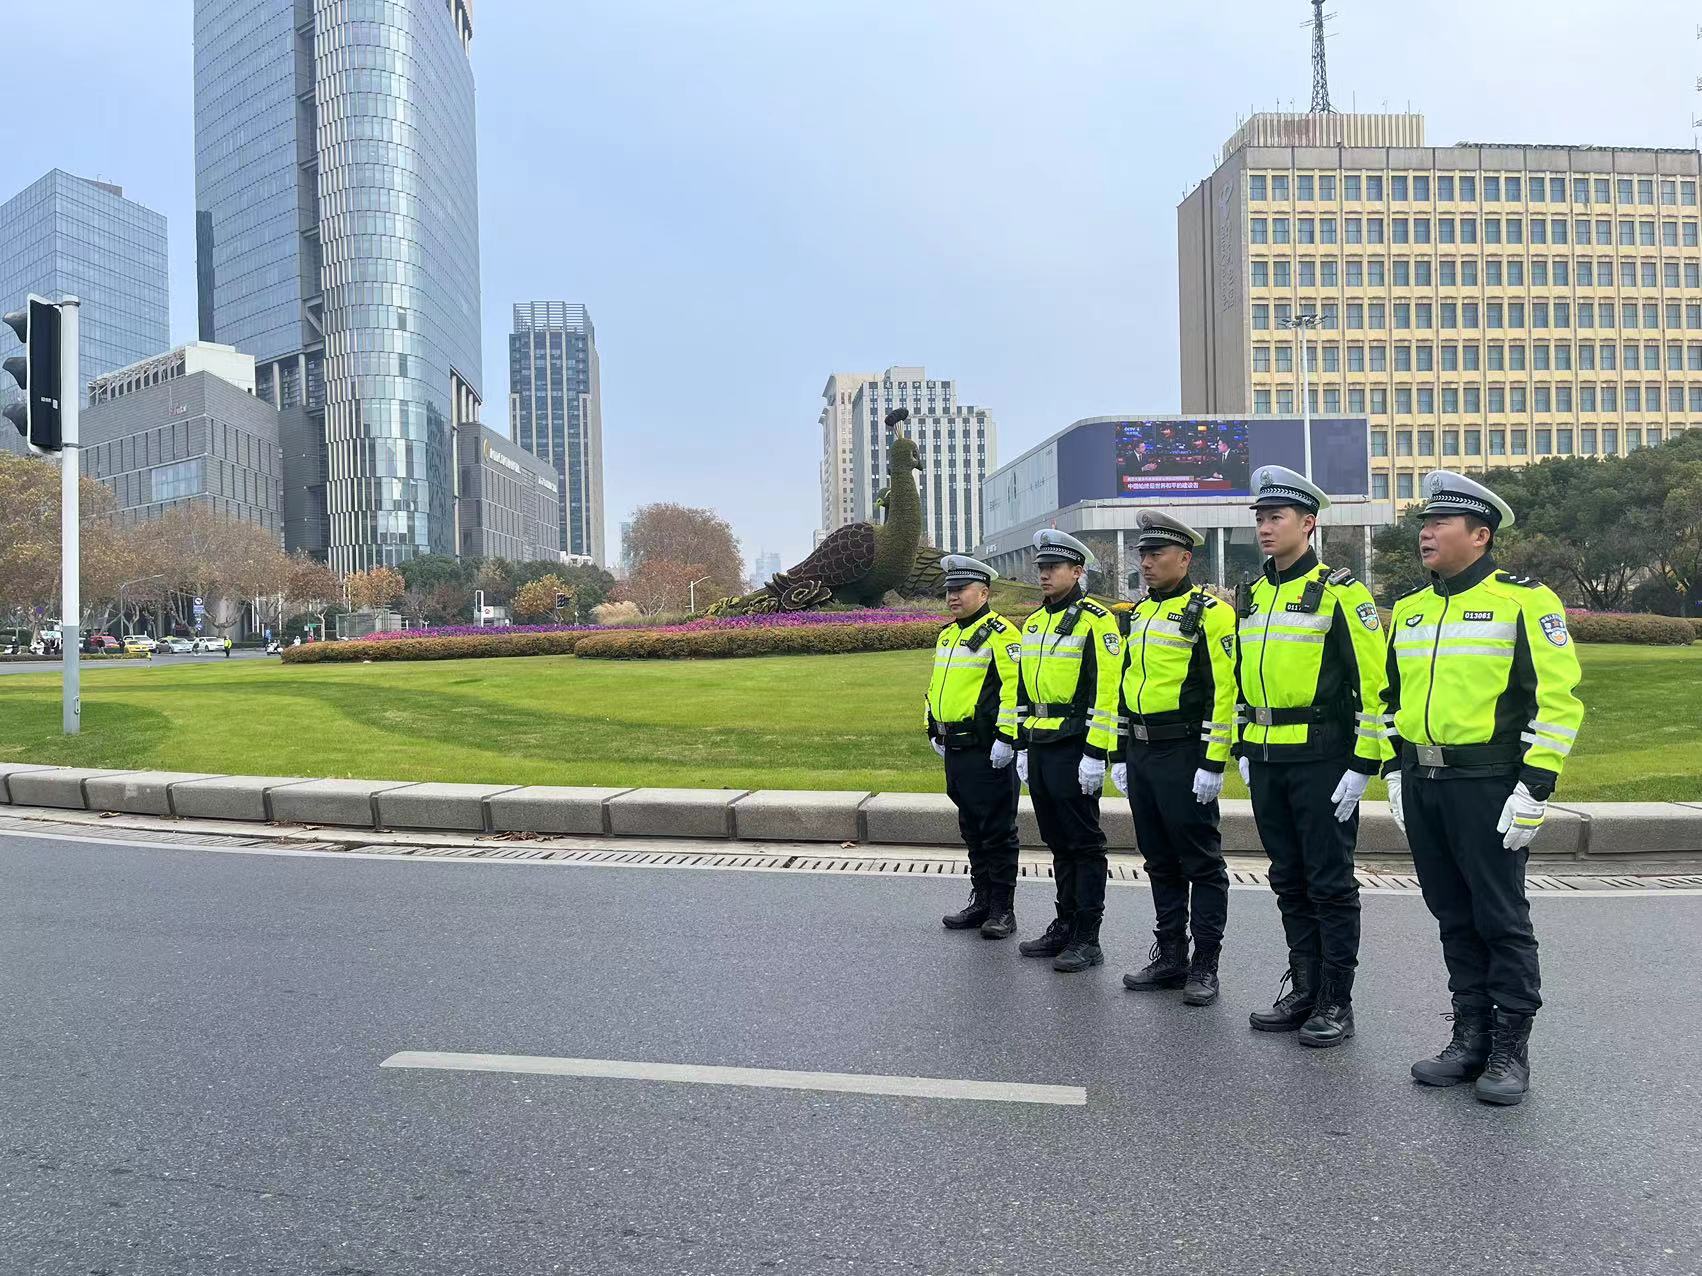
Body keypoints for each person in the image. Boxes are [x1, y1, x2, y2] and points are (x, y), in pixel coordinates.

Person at [1384, 471, 1584, 1106]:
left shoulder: (1525, 601)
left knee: (1500, 917)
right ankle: (1469, 1036)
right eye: (1424, 523)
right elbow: (1390, 698)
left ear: (1480, 535)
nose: (1426, 533)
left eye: (1440, 523)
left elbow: (1557, 702)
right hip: (1425, 782)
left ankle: (1509, 1049)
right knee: (1451, 913)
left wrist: (1536, 787)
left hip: (1489, 783)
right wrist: (1394, 770)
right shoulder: (1411, 609)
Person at [1235, 465, 1391, 1047]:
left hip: (1322, 759)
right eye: (1260, 517)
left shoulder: (1341, 593)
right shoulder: (1253, 593)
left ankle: (1335, 1000)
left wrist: (1364, 764)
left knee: (1329, 882)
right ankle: (1303, 987)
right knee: (1288, 878)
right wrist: (1242, 742)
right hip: (1266, 760)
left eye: (1276, 517)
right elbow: (1242, 676)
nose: (1265, 527)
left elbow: (1374, 684)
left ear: (1309, 524)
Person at [1112, 511, 1238, 1007]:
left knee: (1200, 862)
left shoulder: (1210, 613)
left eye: (1156, 553)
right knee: (1159, 860)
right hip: (1142, 751)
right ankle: (1170, 956)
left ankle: (1205, 963)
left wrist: (1213, 761)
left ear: (1184, 559)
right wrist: (1119, 750)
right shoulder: (1139, 612)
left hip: (1183, 751)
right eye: (1142, 553)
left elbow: (1222, 690)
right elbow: (1125, 685)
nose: (1145, 562)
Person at [1014, 529, 1124, 973]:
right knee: (1057, 840)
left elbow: (1106, 690)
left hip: (1074, 744)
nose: (1044, 574)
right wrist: (1021, 743)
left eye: (1053, 567)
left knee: (1083, 843)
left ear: (1077, 571)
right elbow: (1023, 689)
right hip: (1040, 742)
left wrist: (1097, 753)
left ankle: (1087, 936)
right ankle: (1064, 923)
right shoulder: (1034, 622)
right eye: (1041, 567)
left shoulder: (1096, 620)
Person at [924, 555, 1023, 938]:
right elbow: (936, 686)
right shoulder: (948, 635)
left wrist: (1006, 738)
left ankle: (1002, 909)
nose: (953, 596)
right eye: (949, 590)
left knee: (997, 831)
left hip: (987, 749)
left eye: (961, 589)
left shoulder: (1001, 633)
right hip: (955, 747)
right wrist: (932, 727)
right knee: (971, 828)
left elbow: (1014, 690)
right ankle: (981, 901)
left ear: (983, 593)